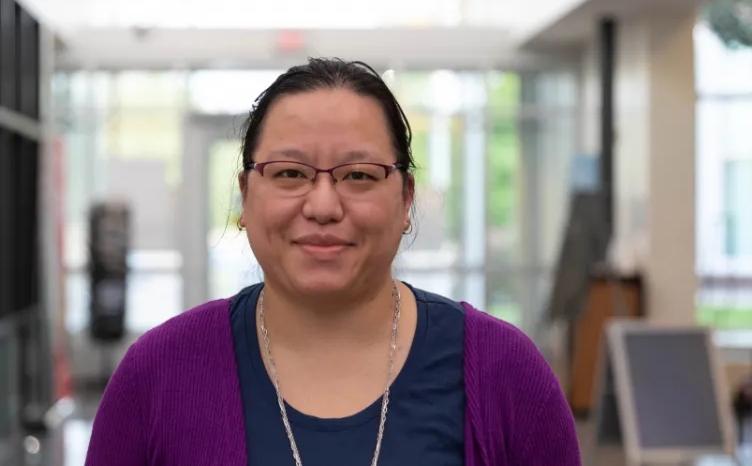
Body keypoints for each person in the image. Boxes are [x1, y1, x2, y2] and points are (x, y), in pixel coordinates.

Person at [85, 58, 581, 466]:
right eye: (289, 173)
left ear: (406, 198)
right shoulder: (157, 375)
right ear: (245, 196)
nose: (323, 206)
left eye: (359, 175)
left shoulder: (506, 372)